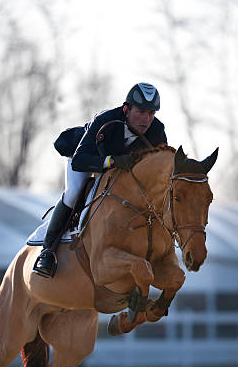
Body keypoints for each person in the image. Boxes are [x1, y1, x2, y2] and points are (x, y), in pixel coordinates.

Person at [33, 82, 167, 278]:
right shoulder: (106, 120)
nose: (146, 119)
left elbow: (160, 169)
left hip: (119, 171)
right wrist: (111, 161)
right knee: (73, 194)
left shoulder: (157, 131)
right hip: (87, 158)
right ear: (126, 109)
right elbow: (80, 160)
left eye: (151, 114)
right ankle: (47, 253)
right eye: (141, 112)